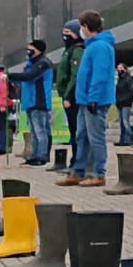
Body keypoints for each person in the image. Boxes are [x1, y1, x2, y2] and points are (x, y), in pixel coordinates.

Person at [58, 11, 115, 187]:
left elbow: (100, 74)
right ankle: (78, 170)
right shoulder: (91, 46)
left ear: (86, 27)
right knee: (81, 135)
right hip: (83, 100)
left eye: (82, 26)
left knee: (95, 137)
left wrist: (93, 97)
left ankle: (99, 173)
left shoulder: (100, 47)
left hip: (95, 100)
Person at [9, 40, 55, 167]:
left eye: (31, 48)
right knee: (33, 131)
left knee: (40, 130)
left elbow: (30, 76)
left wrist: (9, 76)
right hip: (30, 100)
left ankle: (42, 155)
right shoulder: (31, 64)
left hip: (38, 101)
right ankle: (35, 154)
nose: (28, 51)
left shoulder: (43, 63)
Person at [53, 21, 86, 171]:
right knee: (73, 131)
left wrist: (68, 96)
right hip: (67, 96)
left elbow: (75, 75)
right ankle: (75, 161)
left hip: (73, 97)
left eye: (68, 32)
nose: (64, 35)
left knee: (76, 131)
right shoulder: (68, 50)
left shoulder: (77, 50)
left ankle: (77, 162)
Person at [114, 64, 133, 146]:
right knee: (121, 123)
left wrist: (128, 99)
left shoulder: (128, 79)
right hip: (119, 103)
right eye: (118, 68)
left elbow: (131, 91)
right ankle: (122, 140)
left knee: (125, 121)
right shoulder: (119, 80)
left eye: (121, 68)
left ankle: (129, 139)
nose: (119, 70)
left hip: (126, 103)